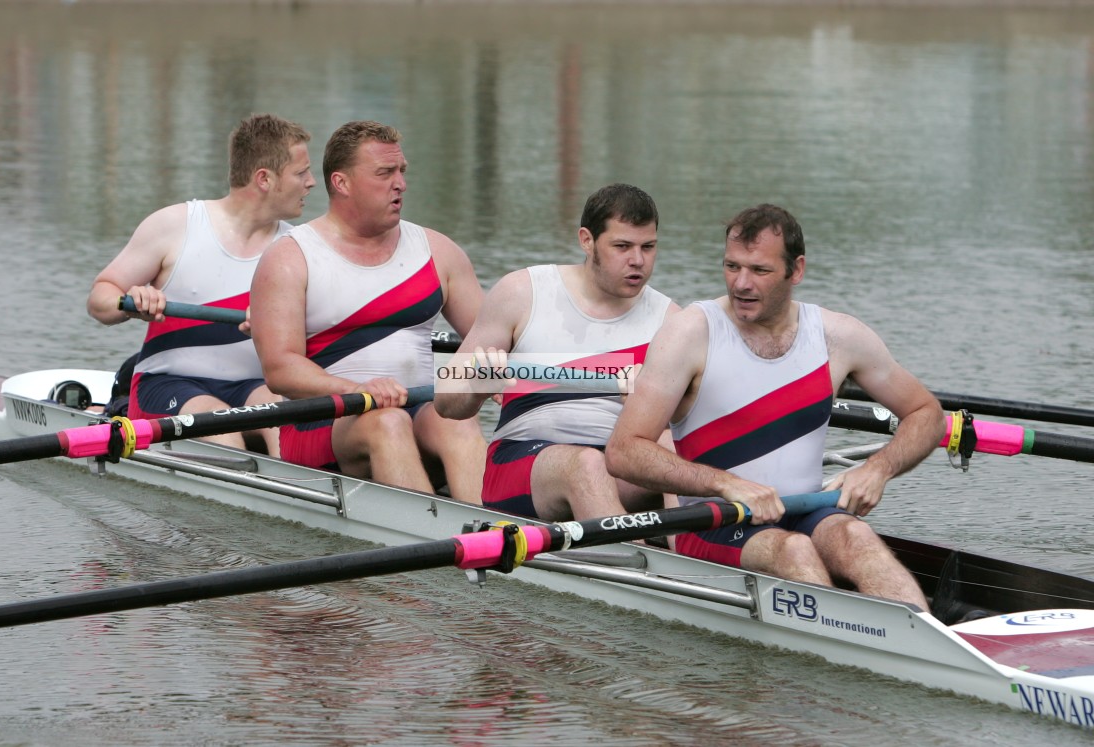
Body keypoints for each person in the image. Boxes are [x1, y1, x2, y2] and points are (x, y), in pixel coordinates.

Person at [605, 204, 944, 608]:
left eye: (759, 271)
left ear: (795, 270)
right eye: (732, 267)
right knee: (794, 551)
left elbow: (928, 414)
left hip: (805, 510)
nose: (741, 284)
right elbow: (624, 451)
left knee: (857, 537)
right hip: (711, 523)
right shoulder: (691, 333)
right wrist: (725, 484)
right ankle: (845, 647)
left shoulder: (839, 336)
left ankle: (937, 647)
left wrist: (877, 469)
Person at [250, 120, 486, 504]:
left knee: (456, 420)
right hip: (322, 426)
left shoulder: (438, 251)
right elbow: (279, 369)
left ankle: (499, 539)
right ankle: (429, 542)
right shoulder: (291, 258)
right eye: (384, 173)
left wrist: (490, 376)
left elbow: (491, 339)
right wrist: (357, 390)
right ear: (342, 183)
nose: (401, 184)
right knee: (387, 421)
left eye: (402, 171)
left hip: (418, 415)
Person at [434, 183, 679, 521]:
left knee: (674, 447)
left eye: (648, 247)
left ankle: (690, 551)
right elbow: (445, 399)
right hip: (522, 464)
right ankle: (644, 563)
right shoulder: (522, 293)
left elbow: (701, 421)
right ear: (587, 240)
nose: (637, 261)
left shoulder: (672, 321)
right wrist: (477, 385)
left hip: (618, 464)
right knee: (586, 465)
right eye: (622, 246)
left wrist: (655, 403)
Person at [87, 113, 316, 457]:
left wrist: (281, 324)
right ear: (264, 179)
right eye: (301, 173)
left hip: (254, 386)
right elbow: (100, 298)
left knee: (286, 429)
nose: (312, 182)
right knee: (225, 438)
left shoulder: (299, 248)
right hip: (168, 384)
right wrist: (133, 300)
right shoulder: (175, 225)